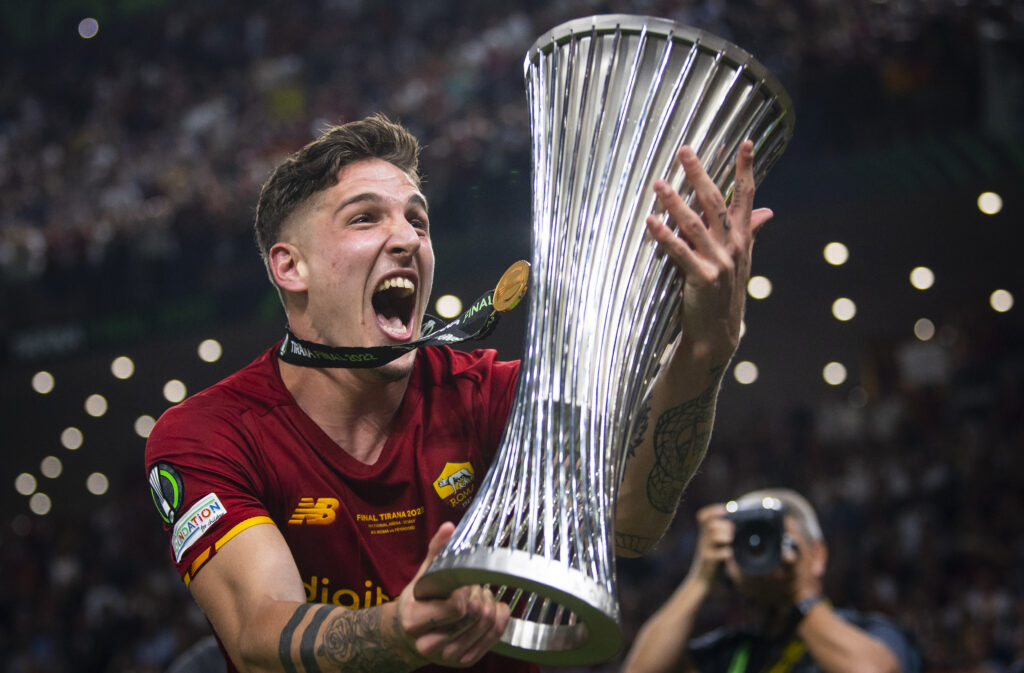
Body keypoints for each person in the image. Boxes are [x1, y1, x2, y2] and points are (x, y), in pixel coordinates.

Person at [144, 113, 772, 673]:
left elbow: (631, 524)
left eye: (417, 220)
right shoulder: (209, 433)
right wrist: (396, 630)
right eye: (365, 217)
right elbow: (258, 634)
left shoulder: (489, 394)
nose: (408, 239)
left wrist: (704, 350)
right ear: (291, 267)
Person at [622, 488, 921, 673]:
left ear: (818, 555)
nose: (763, 552)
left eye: (776, 539)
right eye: (749, 543)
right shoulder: (731, 653)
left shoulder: (872, 631)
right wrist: (701, 575)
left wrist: (797, 595)